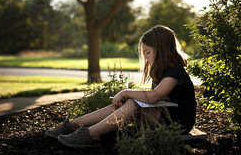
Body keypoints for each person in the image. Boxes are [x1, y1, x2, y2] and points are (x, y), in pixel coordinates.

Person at [45, 25, 197, 148]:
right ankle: (73, 124)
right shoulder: (163, 72)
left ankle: (90, 134)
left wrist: (129, 94)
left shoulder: (175, 72)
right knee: (126, 103)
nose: (146, 58)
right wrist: (129, 94)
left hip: (179, 122)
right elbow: (156, 98)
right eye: (144, 53)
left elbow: (154, 96)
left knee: (131, 102)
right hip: (164, 116)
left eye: (148, 53)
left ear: (162, 51)